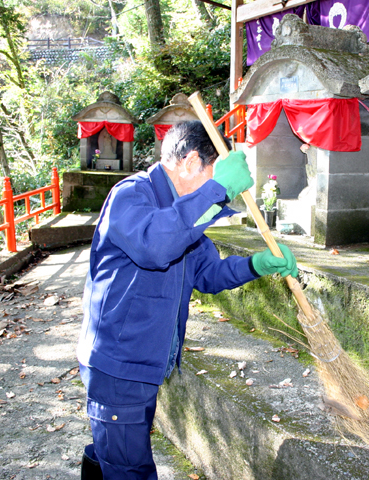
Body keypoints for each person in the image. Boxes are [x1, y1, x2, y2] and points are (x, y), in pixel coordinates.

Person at [77, 120, 298, 480]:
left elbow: (209, 275)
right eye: (214, 173)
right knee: (129, 469)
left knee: (116, 455)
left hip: (145, 364)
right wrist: (217, 191)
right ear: (193, 163)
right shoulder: (131, 196)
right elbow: (155, 246)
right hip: (119, 366)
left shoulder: (184, 215)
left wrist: (256, 264)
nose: (215, 185)